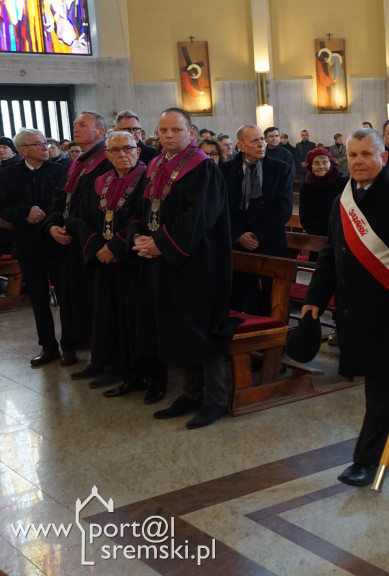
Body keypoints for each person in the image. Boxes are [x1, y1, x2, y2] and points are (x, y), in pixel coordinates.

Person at [301, 128, 389, 486]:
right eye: (354, 155)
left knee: (381, 385)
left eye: (367, 155)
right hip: (352, 309)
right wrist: (314, 298)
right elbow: (330, 254)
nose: (358, 161)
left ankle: (365, 460)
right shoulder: (343, 198)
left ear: (383, 157)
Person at [130, 107, 237, 430]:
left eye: (175, 130)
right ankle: (191, 394)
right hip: (166, 260)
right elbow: (141, 206)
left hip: (198, 263)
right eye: (163, 130)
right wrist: (138, 236)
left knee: (202, 328)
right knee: (179, 326)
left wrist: (158, 242)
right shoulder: (155, 165)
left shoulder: (202, 167)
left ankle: (214, 399)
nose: (168, 136)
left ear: (191, 133)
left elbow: (199, 218)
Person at [65, 131, 153, 400]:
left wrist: (115, 248)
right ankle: (112, 366)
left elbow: (142, 218)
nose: (121, 154)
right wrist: (97, 248)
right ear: (106, 155)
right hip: (103, 260)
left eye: (127, 148)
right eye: (115, 150)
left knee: (133, 319)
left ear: (138, 151)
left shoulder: (148, 179)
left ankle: (137, 373)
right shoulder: (100, 181)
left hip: (133, 261)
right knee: (108, 315)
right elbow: (82, 219)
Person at [44, 111, 112, 373]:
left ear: (101, 132)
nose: (76, 129)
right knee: (70, 296)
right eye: (74, 125)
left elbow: (98, 206)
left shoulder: (107, 161)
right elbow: (59, 199)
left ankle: (100, 354)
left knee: (93, 299)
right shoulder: (75, 163)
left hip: (91, 242)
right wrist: (52, 226)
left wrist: (72, 227)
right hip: (68, 241)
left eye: (83, 125)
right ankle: (72, 343)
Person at [0, 129, 73, 367]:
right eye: (38, 144)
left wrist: (47, 216)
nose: (45, 147)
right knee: (39, 299)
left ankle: (70, 346)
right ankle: (48, 346)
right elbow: (3, 207)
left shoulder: (60, 171)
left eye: (45, 143)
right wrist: (25, 212)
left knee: (65, 297)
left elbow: (65, 204)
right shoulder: (7, 175)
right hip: (27, 245)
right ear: (22, 150)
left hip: (56, 244)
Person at [222, 124, 293, 315]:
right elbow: (221, 209)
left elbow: (284, 207)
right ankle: (247, 339)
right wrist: (239, 235)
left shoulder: (280, 168)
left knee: (273, 298)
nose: (261, 144)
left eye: (262, 139)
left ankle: (275, 339)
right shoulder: (225, 170)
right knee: (243, 296)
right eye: (255, 141)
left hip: (270, 240)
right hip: (238, 242)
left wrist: (256, 235)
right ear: (240, 146)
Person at [299, 146, 346, 239]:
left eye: (325, 162)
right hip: (316, 236)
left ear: (331, 164)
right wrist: (318, 233)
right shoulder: (306, 186)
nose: (321, 166)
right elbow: (304, 217)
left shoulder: (343, 183)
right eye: (316, 163)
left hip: (341, 236)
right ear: (310, 166)